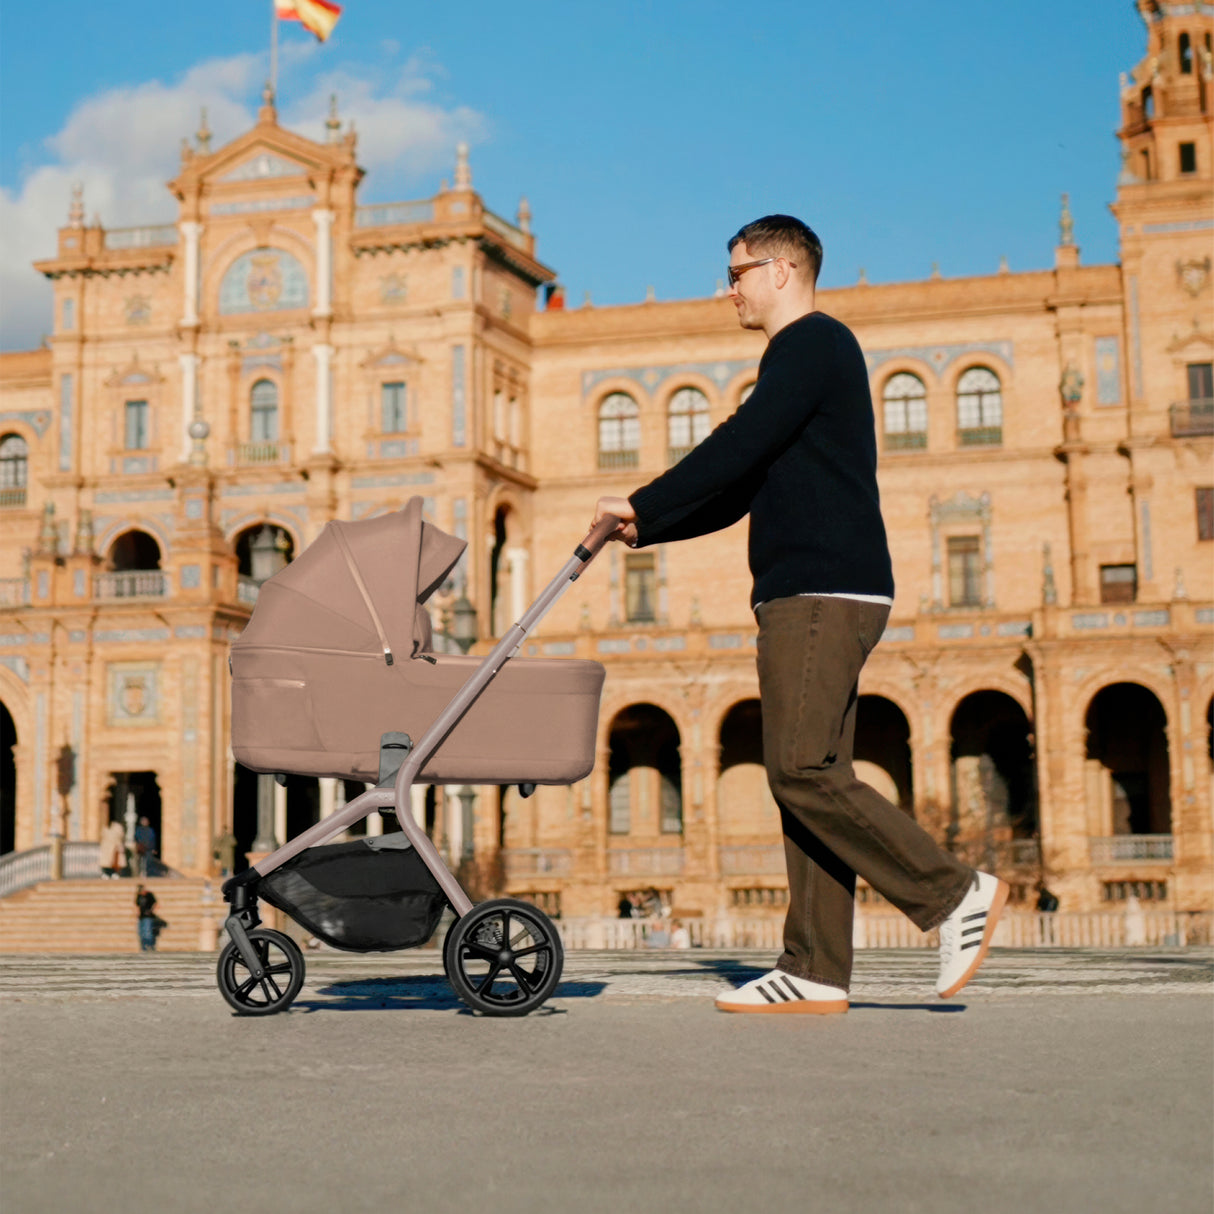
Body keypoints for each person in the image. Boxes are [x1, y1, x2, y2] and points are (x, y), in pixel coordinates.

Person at [593, 215, 1009, 1014]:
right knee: (810, 773)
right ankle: (815, 967)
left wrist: (642, 498)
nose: (730, 289)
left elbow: (737, 443)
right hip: (816, 590)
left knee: (800, 768)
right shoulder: (804, 359)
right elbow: (742, 488)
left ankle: (953, 893)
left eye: (739, 271)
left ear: (782, 270)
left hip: (821, 590)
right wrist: (645, 525)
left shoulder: (813, 344)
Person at [134, 884, 158, 952]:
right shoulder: (139, 896)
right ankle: (144, 947)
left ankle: (150, 946)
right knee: (141, 933)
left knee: (147, 933)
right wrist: (137, 914)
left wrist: (151, 911)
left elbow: (155, 904)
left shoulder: (149, 895)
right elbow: (137, 905)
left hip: (148, 917)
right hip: (141, 917)